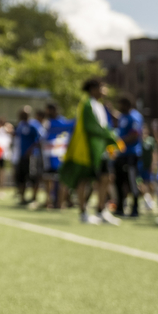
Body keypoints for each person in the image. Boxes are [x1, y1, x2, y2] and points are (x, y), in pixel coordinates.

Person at [61, 78, 120, 225]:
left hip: (100, 149)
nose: (105, 90)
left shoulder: (99, 105)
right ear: (93, 88)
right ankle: (83, 212)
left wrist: (111, 142)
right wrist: (110, 138)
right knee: (84, 179)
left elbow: (104, 126)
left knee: (106, 177)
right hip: (88, 150)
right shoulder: (87, 104)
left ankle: (101, 210)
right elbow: (91, 127)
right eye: (102, 87)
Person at [113, 95, 144, 218]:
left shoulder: (135, 116)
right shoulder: (122, 116)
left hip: (132, 154)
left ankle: (135, 208)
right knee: (118, 182)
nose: (119, 107)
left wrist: (118, 141)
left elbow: (134, 134)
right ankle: (120, 207)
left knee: (131, 182)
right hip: (121, 154)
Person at [40, 102, 74, 210]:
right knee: (48, 179)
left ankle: (60, 203)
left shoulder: (60, 122)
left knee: (62, 180)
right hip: (48, 156)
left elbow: (69, 126)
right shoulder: (47, 122)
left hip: (60, 157)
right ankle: (48, 202)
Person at [12, 106, 43, 206]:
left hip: (32, 156)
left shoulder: (34, 125)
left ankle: (34, 198)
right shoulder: (21, 125)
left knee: (33, 177)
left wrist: (31, 150)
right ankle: (22, 198)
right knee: (21, 177)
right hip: (21, 156)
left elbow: (40, 139)